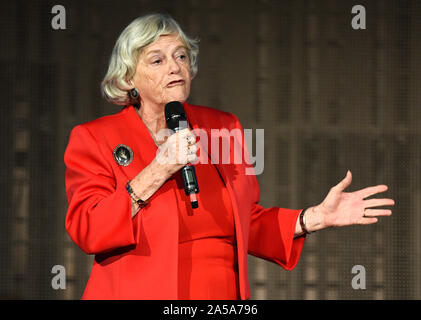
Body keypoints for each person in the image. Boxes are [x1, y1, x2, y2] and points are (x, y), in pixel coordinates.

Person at [64, 13, 394, 300]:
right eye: (157, 59)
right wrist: (158, 169)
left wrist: (315, 217)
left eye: (181, 56)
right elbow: (88, 228)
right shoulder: (95, 137)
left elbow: (246, 220)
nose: (176, 66)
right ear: (129, 77)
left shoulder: (222, 126)